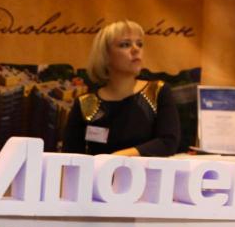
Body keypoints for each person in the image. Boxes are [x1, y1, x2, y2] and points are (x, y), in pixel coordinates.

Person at [62, 20, 180, 157]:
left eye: (139, 44)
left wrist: (118, 158)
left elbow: (168, 142)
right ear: (105, 55)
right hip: (100, 171)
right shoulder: (85, 103)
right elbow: (71, 156)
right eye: (125, 45)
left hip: (144, 172)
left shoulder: (158, 91)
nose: (136, 49)